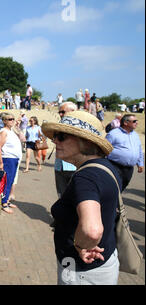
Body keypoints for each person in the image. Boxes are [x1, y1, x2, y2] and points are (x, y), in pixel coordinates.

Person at [42, 111, 121, 285]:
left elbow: (92, 230)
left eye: (61, 137)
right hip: (105, 262)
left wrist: (80, 246)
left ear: (85, 141)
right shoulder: (105, 167)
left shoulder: (85, 178)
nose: (55, 141)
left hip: (82, 271)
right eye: (55, 136)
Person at [106, 114, 144, 191]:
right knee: (113, 187)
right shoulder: (113, 134)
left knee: (122, 187)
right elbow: (104, 148)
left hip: (129, 169)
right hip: (115, 166)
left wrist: (140, 164)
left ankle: (116, 201)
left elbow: (139, 149)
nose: (136, 123)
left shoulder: (135, 135)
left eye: (136, 121)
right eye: (134, 121)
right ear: (125, 123)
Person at [0, 112, 22, 214]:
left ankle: (7, 200)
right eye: (10, 119)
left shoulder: (11, 131)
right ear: (4, 121)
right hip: (8, 159)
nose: (12, 121)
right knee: (7, 181)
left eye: (13, 119)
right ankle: (4, 203)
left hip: (14, 159)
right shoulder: (4, 132)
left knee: (11, 181)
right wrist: (1, 162)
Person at [54, 102, 77, 198]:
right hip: (60, 166)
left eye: (63, 112)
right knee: (62, 196)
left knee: (75, 196)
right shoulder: (58, 126)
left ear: (73, 112)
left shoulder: (82, 128)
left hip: (74, 167)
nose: (60, 114)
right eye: (59, 112)